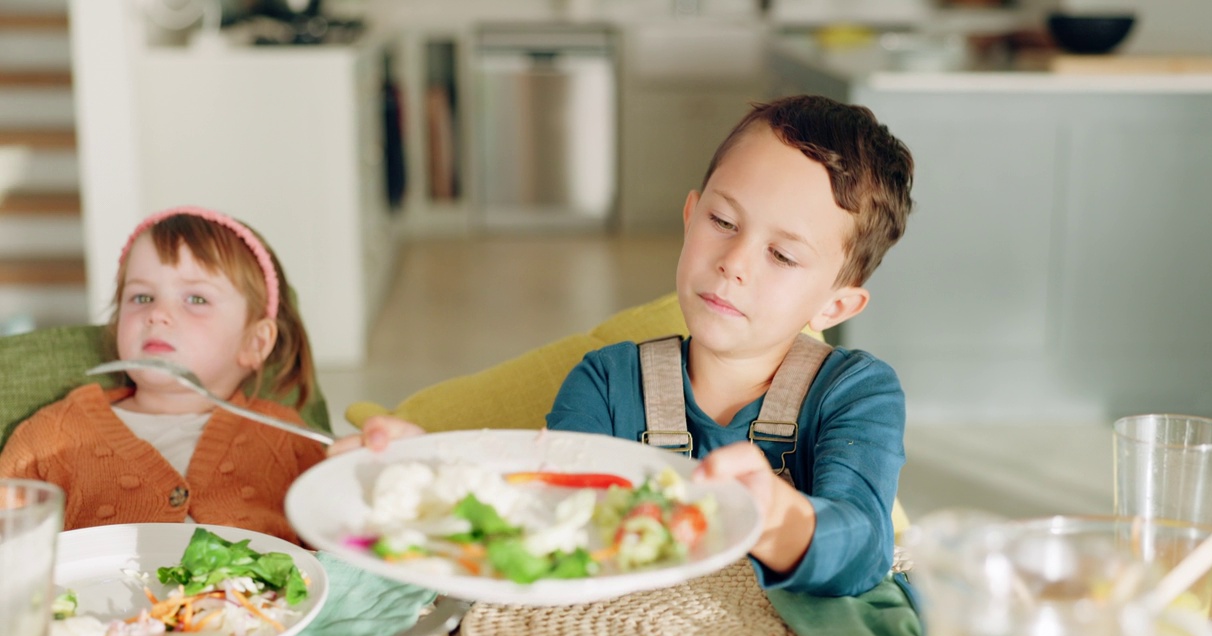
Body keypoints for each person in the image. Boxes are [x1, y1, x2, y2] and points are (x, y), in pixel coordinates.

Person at [337, 95, 914, 597]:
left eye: (782, 256)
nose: (733, 263)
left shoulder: (855, 392)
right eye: (722, 220)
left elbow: (865, 549)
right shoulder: (607, 383)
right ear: (690, 217)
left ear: (834, 307)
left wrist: (772, 515)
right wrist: (426, 473)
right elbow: (544, 512)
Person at [0, 206, 326, 543]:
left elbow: (349, 556)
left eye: (196, 298)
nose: (157, 314)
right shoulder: (49, 438)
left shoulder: (290, 442)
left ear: (256, 343)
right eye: (141, 297)